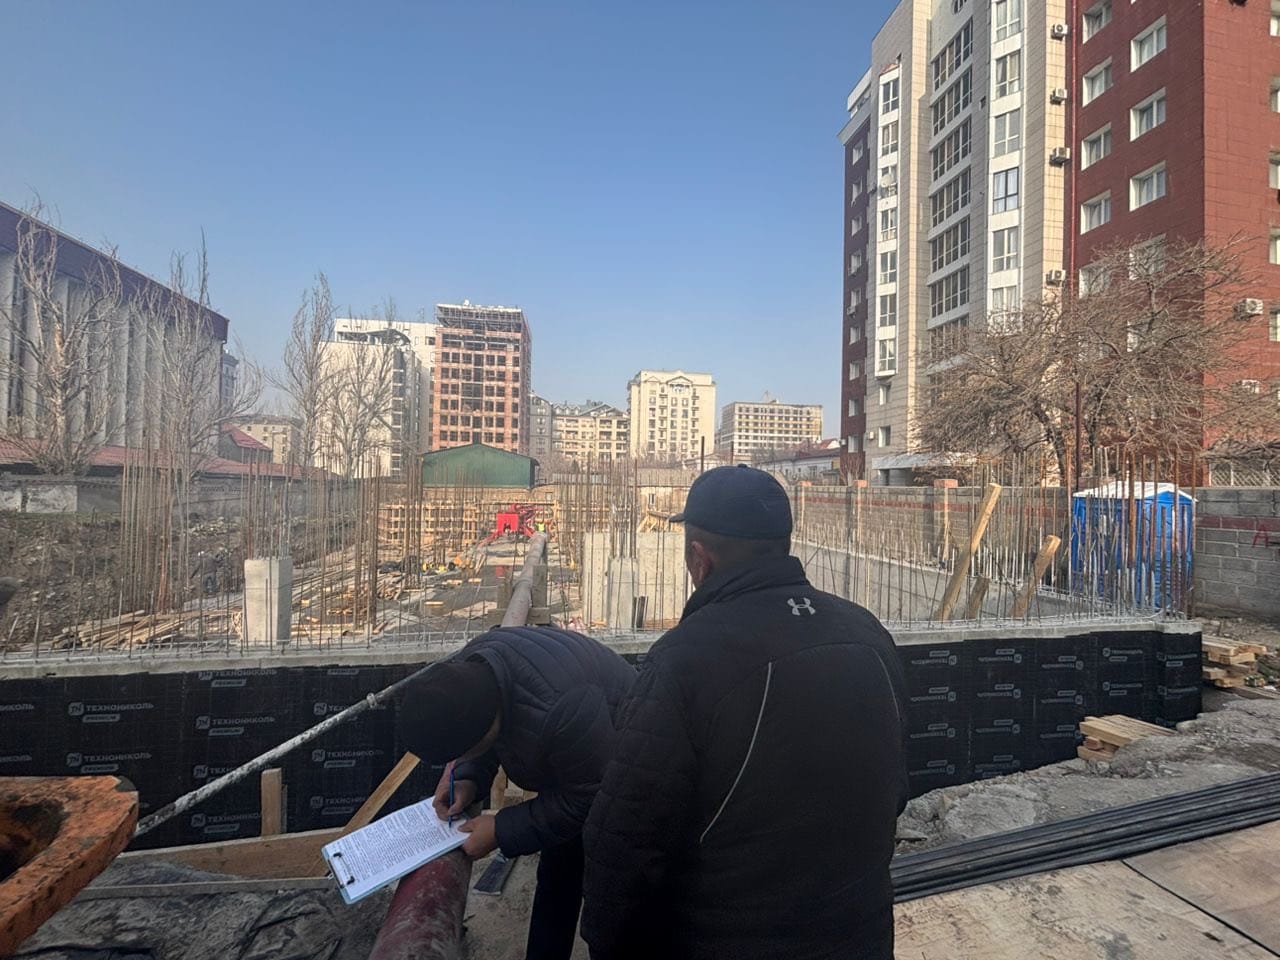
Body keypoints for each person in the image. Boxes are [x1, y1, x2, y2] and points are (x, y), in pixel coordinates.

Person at [581, 465, 908, 960]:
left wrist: (609, 943)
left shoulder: (685, 659)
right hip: (860, 932)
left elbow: (627, 841)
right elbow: (895, 787)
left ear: (699, 559)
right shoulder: (867, 633)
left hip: (729, 939)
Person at [398, 624, 636, 960]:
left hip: (633, 765)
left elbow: (592, 795)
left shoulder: (562, 707)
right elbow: (487, 730)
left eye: (464, 752)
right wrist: (466, 778)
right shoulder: (476, 669)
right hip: (582, 761)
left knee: (611, 897)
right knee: (558, 870)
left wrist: (500, 829)